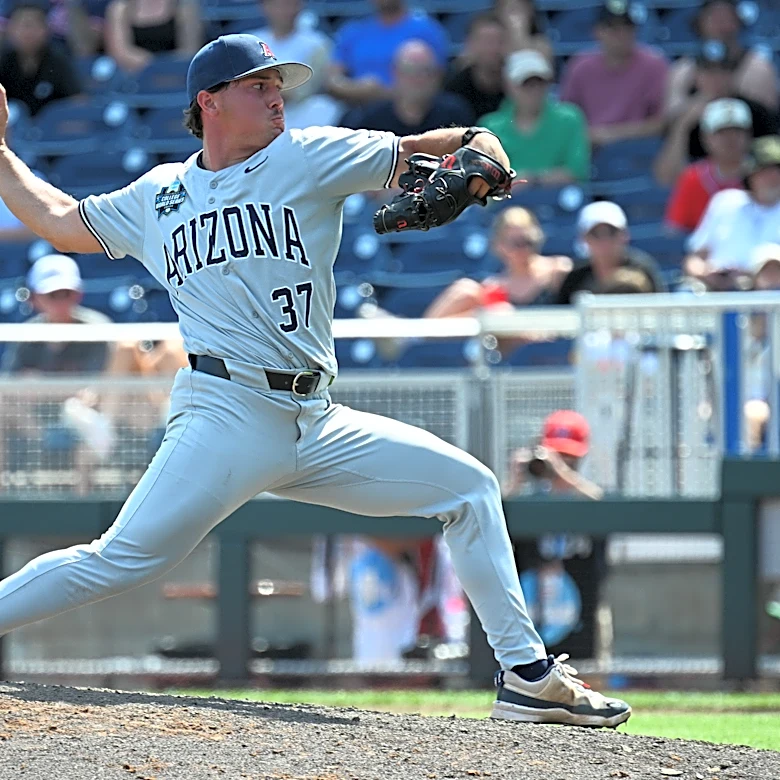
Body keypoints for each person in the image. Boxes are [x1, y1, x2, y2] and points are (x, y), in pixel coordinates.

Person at [0, 33, 630, 727]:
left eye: (279, 84)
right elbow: (59, 221)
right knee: (118, 561)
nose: (277, 96)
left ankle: (527, 677)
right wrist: (1, 154)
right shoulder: (160, 195)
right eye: (258, 85)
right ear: (208, 102)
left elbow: (457, 140)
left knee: (470, 488)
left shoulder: (308, 155)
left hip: (316, 419)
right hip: (223, 412)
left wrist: (486, 146)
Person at [0, 254, 114, 492]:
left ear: (78, 295)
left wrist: (40, 386)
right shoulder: (25, 336)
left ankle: (83, 510)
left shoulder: (98, 329)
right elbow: (10, 388)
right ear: (35, 299)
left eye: (67, 293)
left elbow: (97, 390)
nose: (61, 301)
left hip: (84, 421)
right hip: (35, 423)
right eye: (52, 295)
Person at [504, 411, 607, 659]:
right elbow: (491, 521)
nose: (560, 464)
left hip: (582, 614)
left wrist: (564, 475)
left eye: (569, 458)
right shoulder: (527, 500)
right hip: (529, 615)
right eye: (556, 456)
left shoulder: (585, 496)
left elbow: (602, 505)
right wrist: (514, 483)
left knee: (589, 685)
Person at [654, 41, 779, 187]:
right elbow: (666, 178)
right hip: (702, 192)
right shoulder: (683, 118)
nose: (716, 78)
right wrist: (683, 126)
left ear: (733, 73)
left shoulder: (756, 113)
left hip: (751, 192)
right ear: (696, 76)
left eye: (723, 70)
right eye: (708, 71)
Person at [425, 207, 570, 318]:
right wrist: (482, 317)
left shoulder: (557, 272)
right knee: (464, 290)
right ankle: (414, 337)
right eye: (515, 243)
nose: (523, 248)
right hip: (508, 353)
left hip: (551, 350)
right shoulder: (493, 287)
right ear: (499, 246)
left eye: (528, 241)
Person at [559, 0, 668, 145]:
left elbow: (662, 122)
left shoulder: (655, 65)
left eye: (627, 27)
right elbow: (567, 117)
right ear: (597, 31)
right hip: (591, 148)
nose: (621, 34)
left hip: (639, 148)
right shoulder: (580, 66)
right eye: (613, 28)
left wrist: (611, 135)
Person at [479, 49, 589, 184]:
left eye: (540, 84)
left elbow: (576, 171)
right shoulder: (490, 126)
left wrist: (530, 180)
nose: (535, 91)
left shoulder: (570, 118)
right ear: (509, 86)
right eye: (526, 84)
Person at [685, 135, 780, 290]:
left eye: (777, 171)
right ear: (750, 175)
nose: (773, 178)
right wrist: (707, 273)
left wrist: (754, 276)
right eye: (765, 171)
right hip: (717, 292)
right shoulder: (725, 202)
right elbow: (694, 259)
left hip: (770, 299)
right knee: (687, 292)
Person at [341, 40, 475, 137]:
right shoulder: (369, 120)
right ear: (395, 73)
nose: (418, 79)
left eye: (426, 71)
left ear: (438, 75)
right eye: (410, 71)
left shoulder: (456, 115)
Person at [327, 0, 449, 107]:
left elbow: (437, 79)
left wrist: (386, 94)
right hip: (358, 111)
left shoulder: (427, 30)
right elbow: (332, 80)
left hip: (411, 114)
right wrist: (357, 89)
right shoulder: (352, 32)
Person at [666, 0, 778, 115]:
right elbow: (671, 119)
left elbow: (768, 117)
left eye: (726, 18)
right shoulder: (682, 69)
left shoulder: (758, 67)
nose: (721, 24)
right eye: (713, 17)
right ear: (700, 22)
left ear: (738, 22)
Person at [246, 0, 340, 130]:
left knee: (325, 107)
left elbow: (305, 88)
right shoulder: (250, 41)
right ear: (264, 7)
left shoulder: (318, 43)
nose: (283, 10)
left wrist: (266, 89)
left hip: (300, 110)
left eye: (290, 3)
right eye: (277, 4)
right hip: (258, 109)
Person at [665, 98, 751, 233]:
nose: (730, 138)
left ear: (748, 135)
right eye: (721, 132)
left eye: (737, 131)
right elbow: (675, 230)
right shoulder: (692, 178)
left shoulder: (764, 174)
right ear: (705, 138)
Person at [556, 201, 666, 305]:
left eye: (611, 232)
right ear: (584, 239)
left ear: (625, 235)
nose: (605, 241)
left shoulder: (644, 268)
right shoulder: (575, 277)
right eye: (596, 234)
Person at [0, 0, 80, 117]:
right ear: (10, 29)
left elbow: (78, 101)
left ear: (46, 29)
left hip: (51, 129)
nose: (28, 32)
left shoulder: (58, 59)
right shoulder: (3, 58)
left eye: (34, 24)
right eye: (22, 25)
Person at [104, 0, 201, 73]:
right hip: (133, 76)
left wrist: (164, 67)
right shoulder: (120, 9)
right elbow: (120, 52)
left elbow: (189, 51)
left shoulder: (183, 7)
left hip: (174, 76)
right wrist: (152, 65)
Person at [444, 12, 507, 119]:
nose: (493, 48)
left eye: (499, 41)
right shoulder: (454, 89)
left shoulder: (519, 85)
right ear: (469, 44)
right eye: (487, 41)